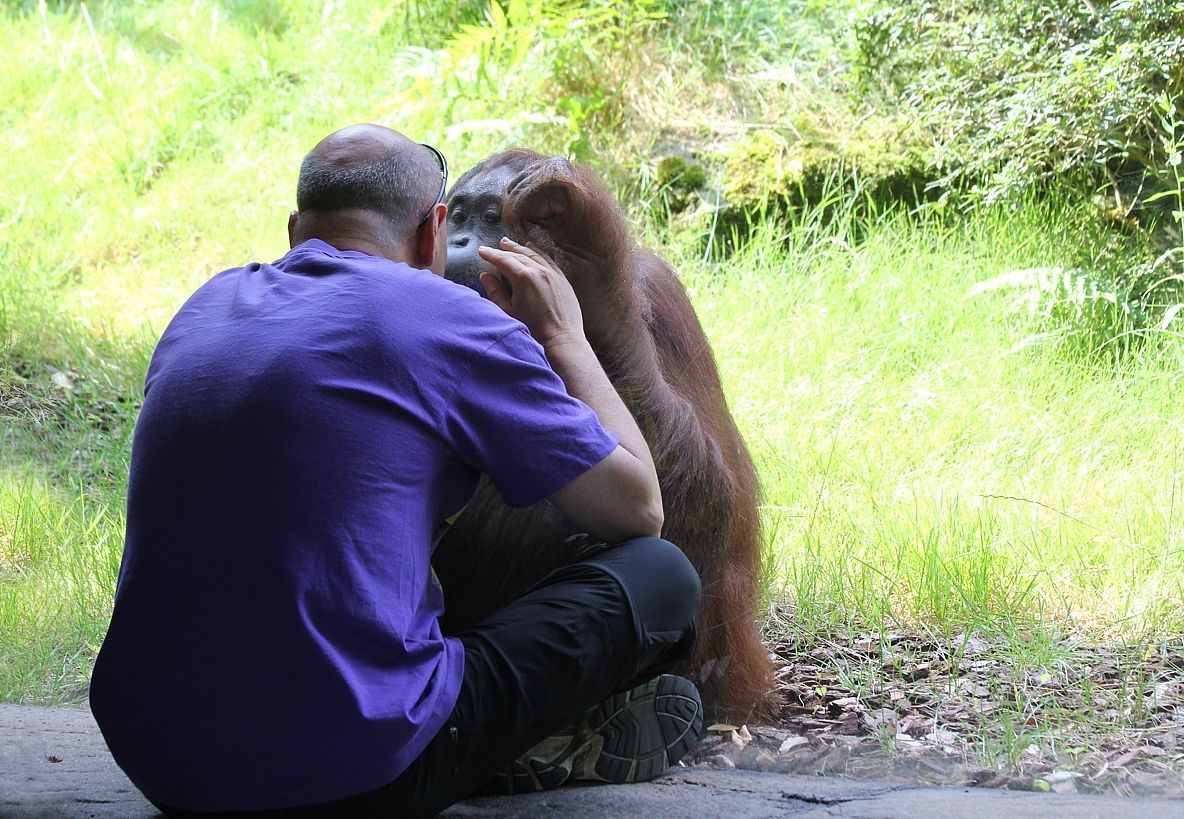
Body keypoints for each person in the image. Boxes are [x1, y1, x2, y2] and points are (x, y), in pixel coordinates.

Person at [89, 123, 705, 816]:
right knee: (660, 577)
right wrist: (565, 334)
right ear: (431, 232)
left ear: (296, 230)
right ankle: (507, 750)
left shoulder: (202, 309)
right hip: (348, 776)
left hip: (157, 759)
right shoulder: (447, 320)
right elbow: (637, 506)